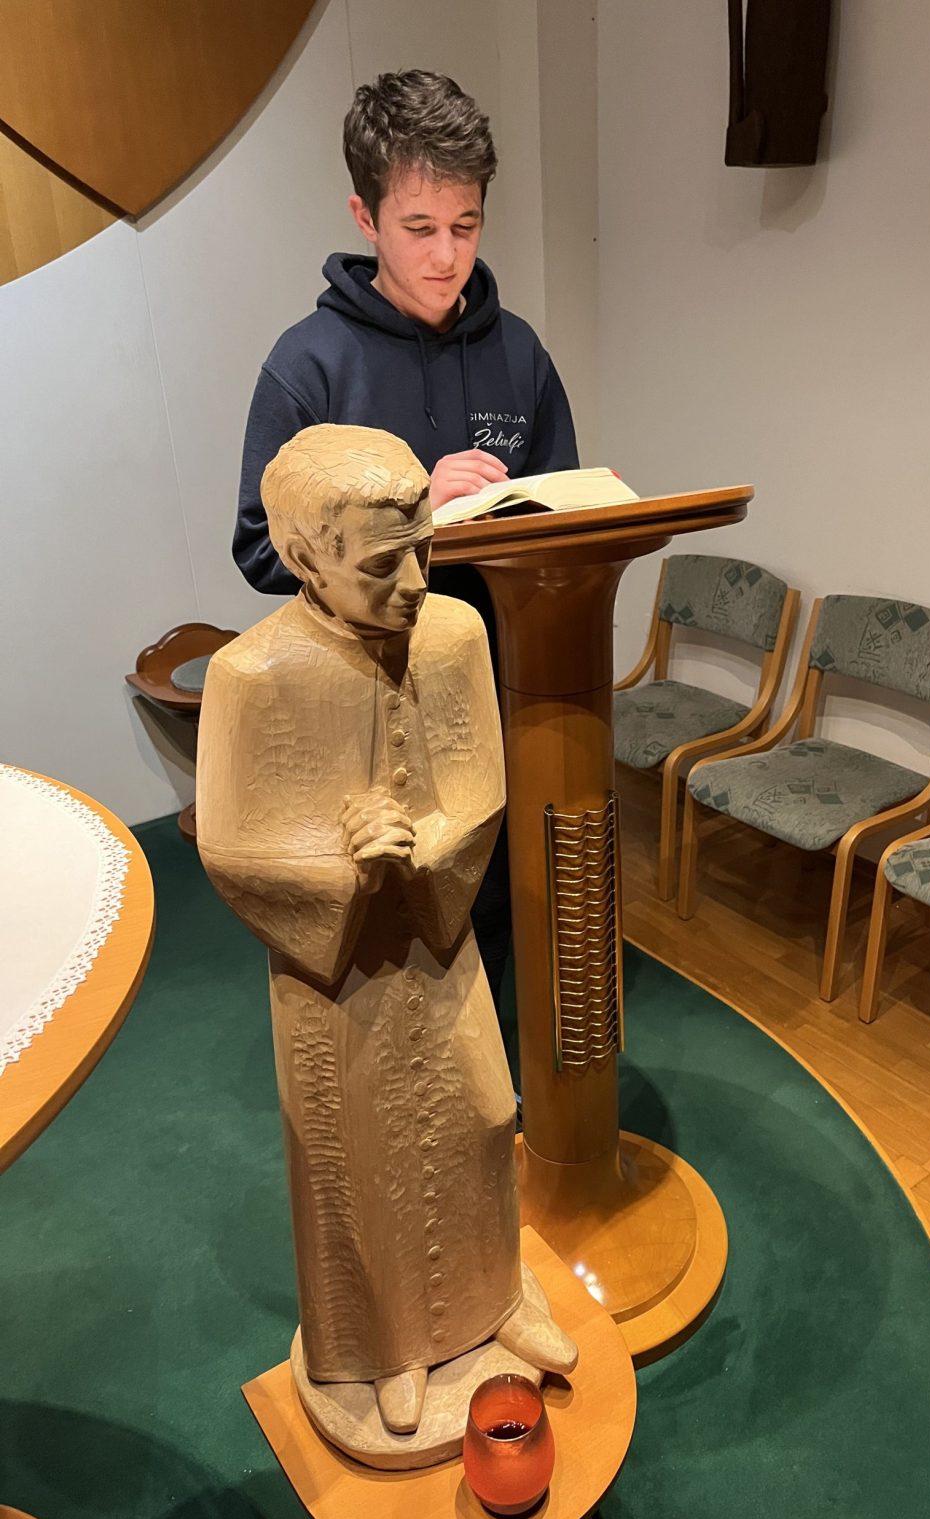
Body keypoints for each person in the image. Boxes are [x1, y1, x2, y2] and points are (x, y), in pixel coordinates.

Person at [199, 426, 575, 1443]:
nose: (413, 584)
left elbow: (483, 786)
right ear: (303, 556)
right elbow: (231, 844)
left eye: (424, 552)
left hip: (439, 946)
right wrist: (347, 862)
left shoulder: (454, 635)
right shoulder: (252, 675)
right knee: (359, 1164)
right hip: (338, 980)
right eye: (381, 565)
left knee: (482, 1122)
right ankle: (387, 1348)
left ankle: (499, 1301)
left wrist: (424, 845)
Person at [233, 69, 579, 999]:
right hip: (368, 707)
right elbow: (260, 549)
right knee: (389, 929)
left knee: (503, 906)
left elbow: (557, 517)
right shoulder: (309, 364)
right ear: (366, 217)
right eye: (419, 228)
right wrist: (417, 503)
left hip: (500, 686)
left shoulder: (519, 352)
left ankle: (506, 1068)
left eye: (466, 226)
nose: (446, 255)